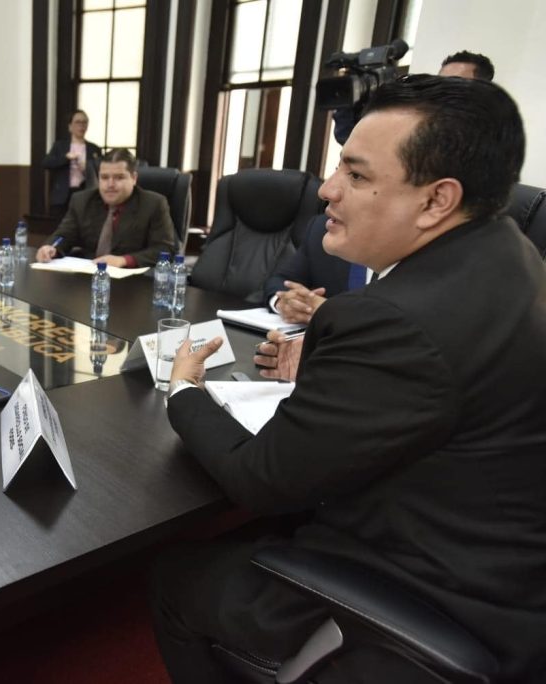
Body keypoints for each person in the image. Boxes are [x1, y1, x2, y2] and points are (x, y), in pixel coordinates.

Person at [153, 76, 546, 682]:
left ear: (437, 201)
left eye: (357, 176)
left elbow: (260, 479)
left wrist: (184, 387)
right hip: (508, 568)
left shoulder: (391, 321)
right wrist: (339, 370)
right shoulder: (514, 254)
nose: (327, 190)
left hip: (444, 600)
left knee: (174, 578)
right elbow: (440, 382)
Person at [36, 148, 176, 268]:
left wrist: (123, 260)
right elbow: (64, 236)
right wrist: (51, 247)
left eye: (119, 177)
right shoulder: (82, 201)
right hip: (88, 276)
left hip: (132, 281)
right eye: (104, 177)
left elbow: (165, 249)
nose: (110, 184)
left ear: (133, 178)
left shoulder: (153, 204)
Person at [333, 49, 494, 144]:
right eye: (440, 81)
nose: (443, 88)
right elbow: (355, 141)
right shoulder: (420, 118)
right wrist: (349, 104)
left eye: (455, 82)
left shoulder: (485, 138)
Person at [41, 109, 102, 218]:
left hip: (85, 194)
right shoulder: (60, 146)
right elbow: (46, 163)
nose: (81, 126)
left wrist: (88, 167)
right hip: (62, 195)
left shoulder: (94, 149)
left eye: (84, 122)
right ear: (70, 126)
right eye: (78, 122)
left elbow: (101, 171)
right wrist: (66, 158)